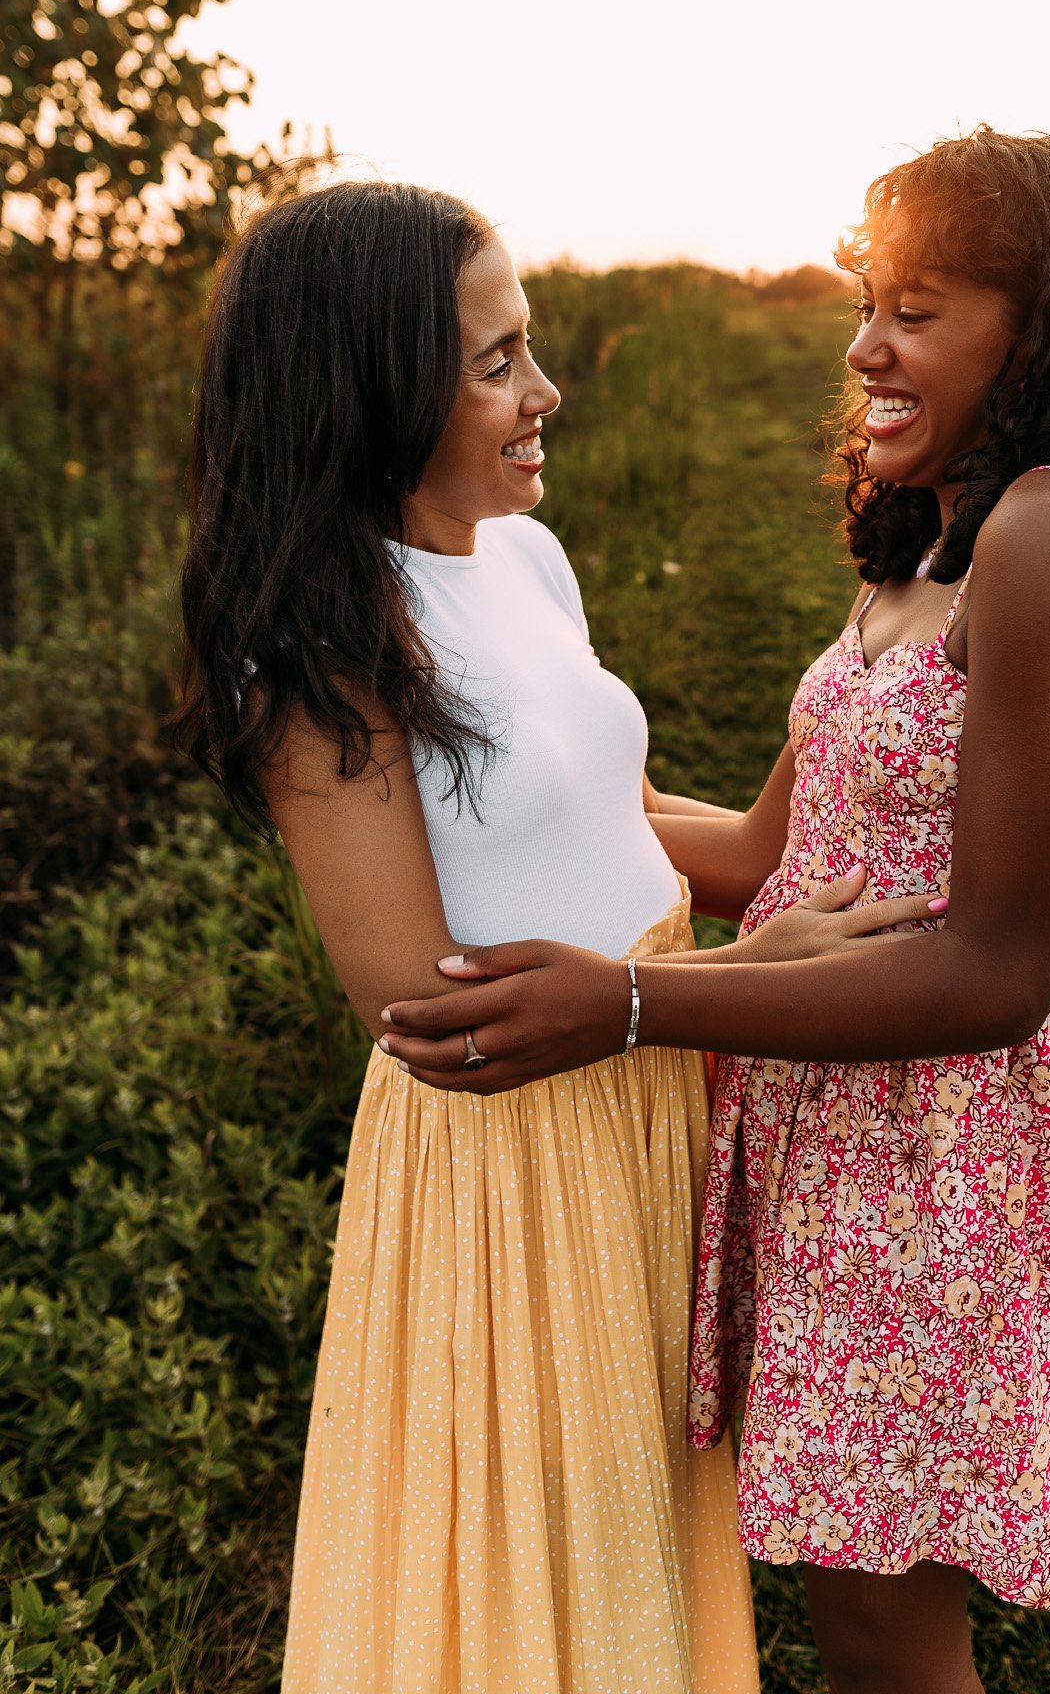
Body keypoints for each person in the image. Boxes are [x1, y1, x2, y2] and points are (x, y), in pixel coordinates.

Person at [379, 130, 1050, 1693]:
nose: (865, 345)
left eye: (918, 309)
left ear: (1038, 328)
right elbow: (771, 855)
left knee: (883, 1638)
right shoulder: (940, 538)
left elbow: (995, 973)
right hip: (835, 1137)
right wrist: (504, 778)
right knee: (848, 1608)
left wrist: (635, 1004)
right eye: (870, 299)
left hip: (942, 1164)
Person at [173, 180, 767, 1694]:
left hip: (638, 1093)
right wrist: (712, 990)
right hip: (520, 1165)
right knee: (536, 1573)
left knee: (643, 1530)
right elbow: (426, 1009)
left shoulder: (529, 561)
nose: (543, 391)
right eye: (496, 362)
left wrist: (800, 839)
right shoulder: (326, 642)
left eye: (530, 346)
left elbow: (616, 816)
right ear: (374, 391)